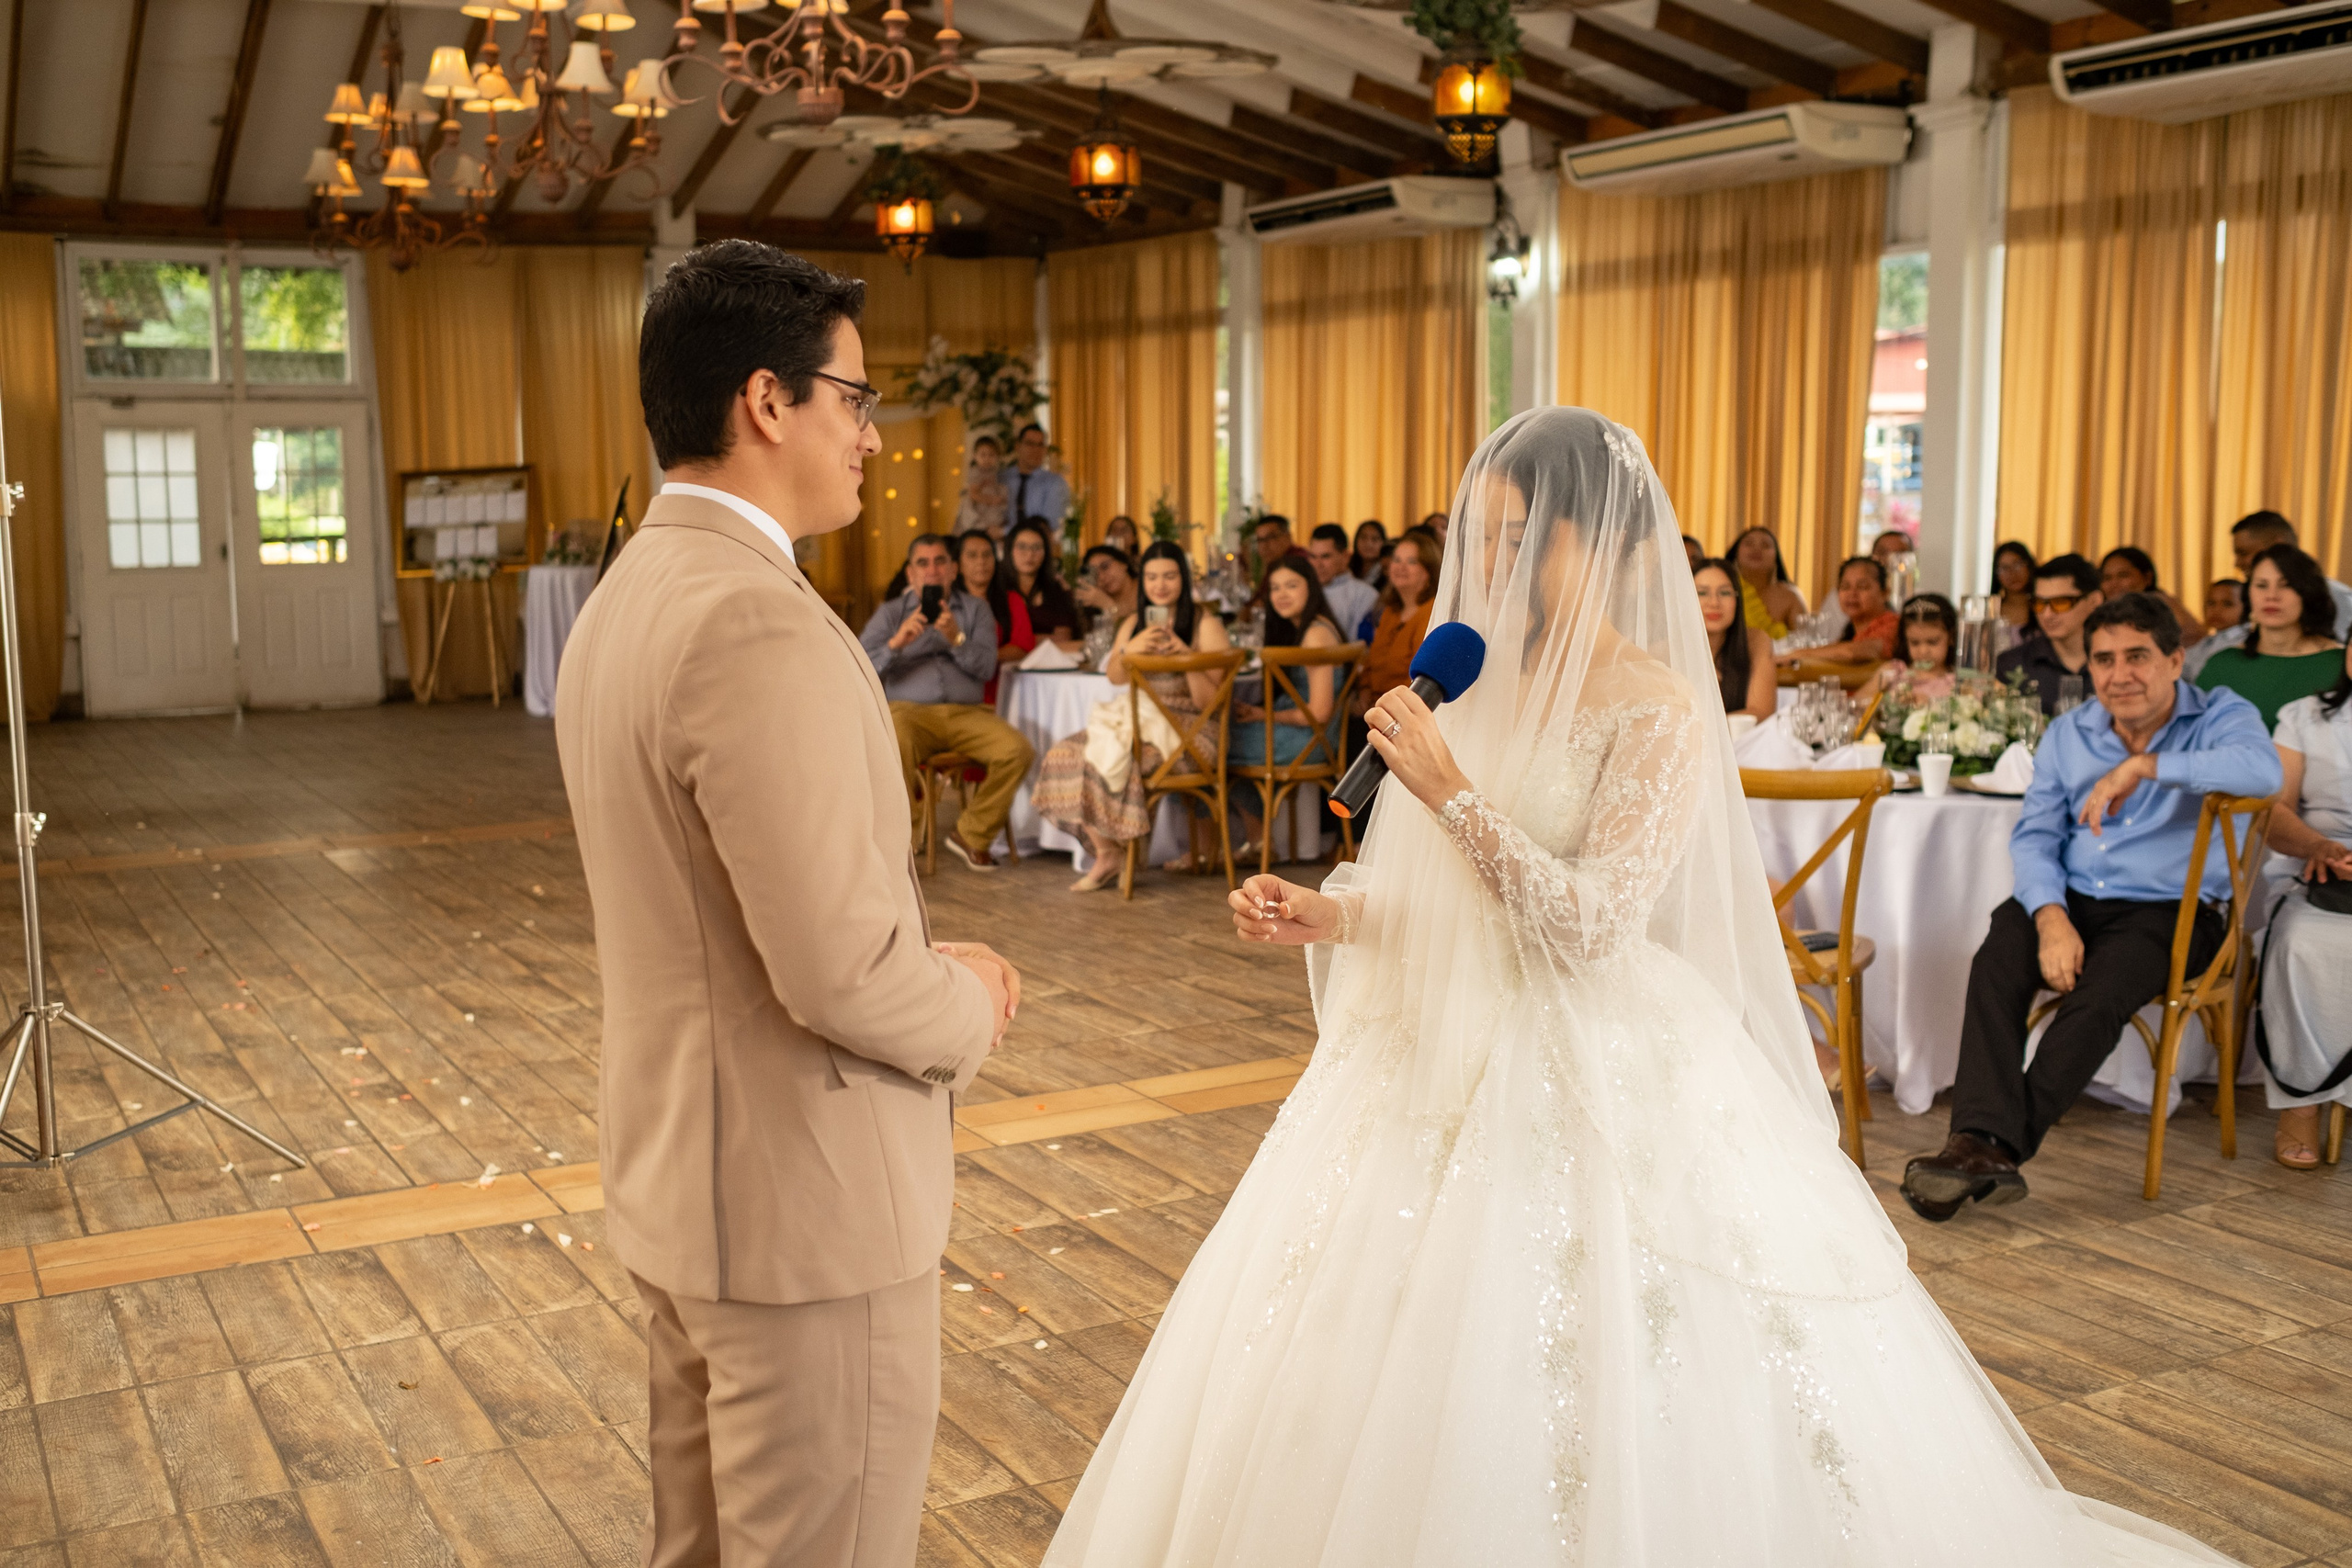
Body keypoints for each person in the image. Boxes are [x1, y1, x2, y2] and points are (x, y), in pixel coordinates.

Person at [1044, 408, 2240, 1568]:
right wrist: (1335, 909)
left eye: (1527, 537)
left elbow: (1593, 922)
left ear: (1604, 543)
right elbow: (1452, 901)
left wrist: (1455, 790)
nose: (1499, 561)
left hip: (1591, 1058)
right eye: (1490, 534)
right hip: (1432, 1058)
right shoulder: (1474, 682)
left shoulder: (1660, 707)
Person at [555, 241, 1017, 1568]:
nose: (871, 436)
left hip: (687, 1187)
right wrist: (968, 1001)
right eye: (857, 400)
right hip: (801, 1217)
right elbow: (836, 972)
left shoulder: (631, 594)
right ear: (770, 401)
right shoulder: (750, 617)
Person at [1902, 592, 2280, 1222]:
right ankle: (1982, 1147)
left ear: (2176, 659)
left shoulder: (2221, 714)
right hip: (2075, 899)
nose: (2119, 673)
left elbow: (2262, 773)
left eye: (2138, 655)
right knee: (1999, 954)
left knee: (2098, 996)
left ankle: (1983, 1145)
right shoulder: (2069, 732)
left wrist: (2145, 766)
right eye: (2104, 659)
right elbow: (2035, 836)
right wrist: (2050, 916)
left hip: (2176, 912)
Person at [1032, 541, 1232, 893]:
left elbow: (1209, 701)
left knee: (1115, 759)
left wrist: (1186, 656)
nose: (1160, 585)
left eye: (1170, 576)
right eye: (1153, 577)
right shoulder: (1135, 622)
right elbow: (1114, 677)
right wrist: (1129, 651)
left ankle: (1120, 852)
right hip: (1137, 721)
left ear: (1183, 579)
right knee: (1065, 752)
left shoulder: (1205, 624)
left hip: (1190, 731)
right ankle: (1108, 851)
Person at [859, 534, 1035, 872]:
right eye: (922, 563)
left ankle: (971, 834)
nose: (933, 570)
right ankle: (904, 842)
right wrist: (896, 644)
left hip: (967, 713)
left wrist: (956, 638)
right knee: (895, 736)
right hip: (909, 713)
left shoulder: (976, 610)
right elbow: (861, 666)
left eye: (940, 561)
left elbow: (986, 668)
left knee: (1018, 749)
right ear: (911, 574)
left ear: (954, 570)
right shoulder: (892, 613)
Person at [2257, 641, 2352, 1168]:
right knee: (2300, 942)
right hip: (2319, 865)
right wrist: (2317, 845)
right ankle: (2303, 1099)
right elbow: (2275, 809)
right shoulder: (2304, 717)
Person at [1230, 550, 1343, 857]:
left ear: (1311, 587)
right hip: (1305, 735)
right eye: (1275, 588)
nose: (1281, 594)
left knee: (1214, 748)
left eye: (1291, 586)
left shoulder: (1316, 636)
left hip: (1312, 741)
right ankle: (1258, 838)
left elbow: (1318, 713)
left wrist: (1261, 714)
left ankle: (1256, 839)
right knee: (1218, 739)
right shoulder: (1304, 628)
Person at [2194, 543, 2346, 730]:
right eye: (2261, 585)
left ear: (2308, 593)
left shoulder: (2342, 664)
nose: (2272, 596)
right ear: (2249, 595)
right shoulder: (2221, 665)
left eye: (2286, 585)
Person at [2186, 511, 2352, 676]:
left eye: (2243, 553)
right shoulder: (2225, 661)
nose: (2237, 563)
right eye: (2261, 585)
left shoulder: (2341, 603)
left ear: (2279, 545)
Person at [1996, 553, 2103, 716]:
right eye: (2039, 604)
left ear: (2094, 601)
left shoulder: (2117, 664)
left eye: (2060, 603)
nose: (2047, 614)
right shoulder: (2012, 664)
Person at [1351, 526, 1438, 717]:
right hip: (1376, 708)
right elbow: (1371, 661)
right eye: (1397, 560)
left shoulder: (1432, 613)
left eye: (1411, 561)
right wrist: (1364, 690)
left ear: (1428, 570)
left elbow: (1419, 680)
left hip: (1406, 714)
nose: (1400, 567)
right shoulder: (1391, 610)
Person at [1695, 557, 1775, 719]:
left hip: (1742, 743)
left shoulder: (1755, 640)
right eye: (1702, 593)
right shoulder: (1664, 649)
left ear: (1737, 600)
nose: (1714, 602)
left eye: (1724, 592)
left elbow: (1761, 712)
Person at [955, 529, 1028, 705]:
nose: (981, 561)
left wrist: (974, 657)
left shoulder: (1012, 600)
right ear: (958, 565)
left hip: (1003, 691)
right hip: (958, 693)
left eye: (987, 555)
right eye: (972, 555)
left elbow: (1022, 648)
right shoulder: (949, 604)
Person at [1783, 555, 1895, 665]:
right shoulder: (1849, 633)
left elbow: (1852, 653)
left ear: (1885, 593)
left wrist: (1796, 654)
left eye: (1862, 586)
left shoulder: (1893, 625)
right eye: (1845, 587)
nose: (1852, 594)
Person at [1866, 592, 1965, 705]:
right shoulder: (1894, 672)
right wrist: (1886, 700)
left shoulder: (1958, 682)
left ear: (1951, 637)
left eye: (1932, 642)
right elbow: (1859, 703)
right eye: (1914, 643)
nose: (1923, 651)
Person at [2099, 546, 2204, 645]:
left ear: (2147, 578)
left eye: (2123, 575)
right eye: (2107, 578)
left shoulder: (2160, 604)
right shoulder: (2105, 611)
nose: (2114, 584)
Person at [1006, 517, 1082, 652]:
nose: (1029, 554)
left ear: (1046, 552)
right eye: (1022, 547)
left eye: (1036, 548)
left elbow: (1064, 639)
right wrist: (1046, 638)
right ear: (1010, 550)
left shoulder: (1057, 591)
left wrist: (1020, 641)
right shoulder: (997, 589)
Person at [1731, 525, 1807, 639]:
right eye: (1749, 544)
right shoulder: (1723, 589)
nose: (1756, 549)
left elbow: (1804, 640)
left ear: (1776, 557)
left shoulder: (1790, 596)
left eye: (1766, 545)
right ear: (1735, 554)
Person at [1306, 522, 1380, 641]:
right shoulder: (1302, 590)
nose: (1318, 565)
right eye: (1313, 557)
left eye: (1325, 556)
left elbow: (1360, 646)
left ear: (1345, 557)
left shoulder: (1365, 594)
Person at [1004, 422, 1069, 527]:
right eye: (1030, 444)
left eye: (1040, 445)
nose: (1036, 450)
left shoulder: (1054, 483)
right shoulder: (1003, 478)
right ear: (1018, 446)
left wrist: (1003, 531)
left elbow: (1050, 525)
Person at [1073, 542, 1138, 633]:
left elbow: (1135, 634)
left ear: (1123, 564)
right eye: (1095, 575)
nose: (1102, 577)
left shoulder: (1148, 589)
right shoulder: (1096, 601)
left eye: (1105, 566)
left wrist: (1108, 606)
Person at [954, 434, 1010, 537]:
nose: (987, 459)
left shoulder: (997, 473)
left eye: (991, 455)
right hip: (980, 505)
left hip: (993, 507)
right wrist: (990, 500)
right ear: (975, 456)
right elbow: (973, 494)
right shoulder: (975, 473)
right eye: (983, 455)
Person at [1992, 541, 2040, 632]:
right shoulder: (1991, 611)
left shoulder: (2042, 607)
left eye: (2018, 565)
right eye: (2004, 568)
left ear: (2029, 565)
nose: (2012, 573)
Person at [1250, 513, 1295, 587]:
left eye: (1270, 537)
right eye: (1260, 540)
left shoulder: (1298, 562)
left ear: (1287, 537)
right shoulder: (1273, 564)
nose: (1264, 546)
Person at [1352, 519, 1389, 585]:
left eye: (1375, 539)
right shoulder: (1348, 567)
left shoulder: (1387, 571)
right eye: (1363, 538)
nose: (1368, 544)